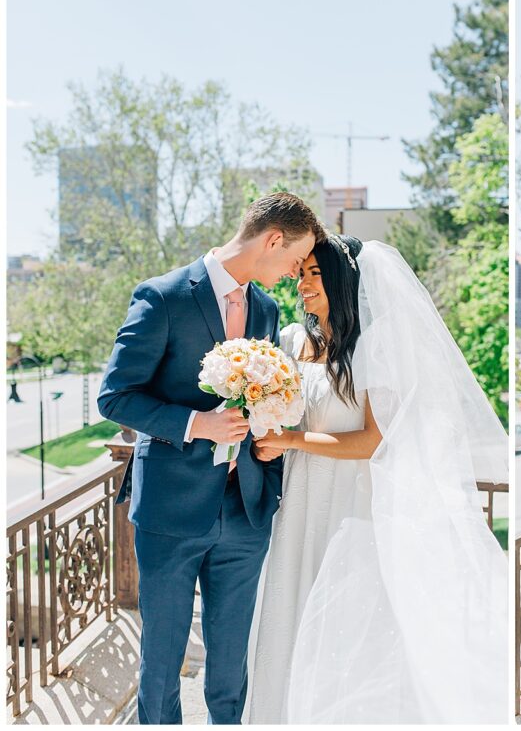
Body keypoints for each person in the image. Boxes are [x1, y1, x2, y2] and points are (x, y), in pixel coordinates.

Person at [245, 234, 508, 724]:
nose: (303, 284)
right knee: (292, 606)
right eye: (301, 273)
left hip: (350, 500)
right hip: (298, 496)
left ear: (345, 282)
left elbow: (372, 441)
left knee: (346, 618)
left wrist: (293, 441)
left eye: (315, 275)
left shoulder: (375, 346)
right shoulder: (288, 341)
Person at [97, 193, 326, 724]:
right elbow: (115, 396)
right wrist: (197, 424)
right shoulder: (163, 297)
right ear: (273, 240)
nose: (296, 273)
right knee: (162, 659)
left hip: (244, 509)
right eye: (295, 260)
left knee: (231, 662)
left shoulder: (266, 312)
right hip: (169, 512)